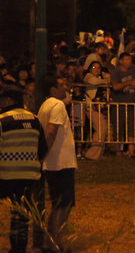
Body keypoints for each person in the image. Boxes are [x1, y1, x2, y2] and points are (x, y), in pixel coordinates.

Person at [0, 86, 47, 253]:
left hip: (5, 175)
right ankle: (19, 249)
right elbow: (42, 149)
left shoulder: (2, 120)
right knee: (20, 214)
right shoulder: (34, 120)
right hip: (29, 176)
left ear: (8, 101)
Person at [38, 75, 78, 252]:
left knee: (58, 202)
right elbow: (51, 132)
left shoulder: (44, 106)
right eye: (61, 85)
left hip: (53, 162)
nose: (65, 87)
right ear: (53, 89)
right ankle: (54, 242)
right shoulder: (57, 105)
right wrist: (43, 154)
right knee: (63, 203)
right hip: (60, 162)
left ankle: (50, 240)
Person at [110, 52, 135, 157]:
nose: (129, 61)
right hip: (119, 103)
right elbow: (115, 86)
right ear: (121, 61)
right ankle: (118, 150)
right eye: (126, 59)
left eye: (130, 59)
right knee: (119, 126)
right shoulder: (116, 72)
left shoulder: (133, 69)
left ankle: (131, 149)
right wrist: (128, 83)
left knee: (131, 126)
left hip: (131, 103)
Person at [83, 61, 110, 160]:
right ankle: (91, 154)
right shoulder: (88, 77)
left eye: (99, 67)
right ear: (90, 68)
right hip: (91, 107)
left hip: (99, 107)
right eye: (94, 67)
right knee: (101, 128)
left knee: (102, 129)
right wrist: (106, 80)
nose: (97, 69)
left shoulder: (99, 78)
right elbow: (94, 82)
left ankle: (97, 153)